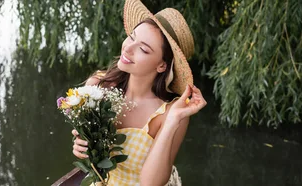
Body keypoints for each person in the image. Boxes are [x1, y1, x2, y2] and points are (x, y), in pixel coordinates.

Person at [71, 0, 207, 185]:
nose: (128, 48)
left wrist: (172, 121)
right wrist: (82, 146)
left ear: (162, 65)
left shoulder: (171, 112)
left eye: (143, 49)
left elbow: (150, 183)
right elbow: (89, 153)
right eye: (132, 37)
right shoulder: (98, 86)